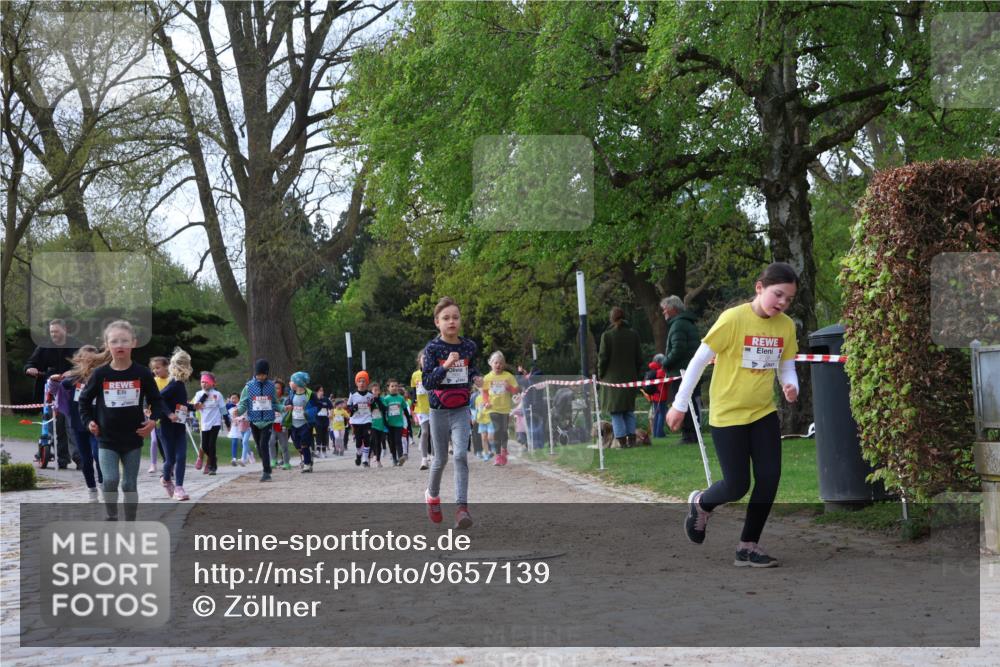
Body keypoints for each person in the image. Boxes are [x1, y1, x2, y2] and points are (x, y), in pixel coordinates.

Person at [667, 262, 800, 568]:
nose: (782, 303)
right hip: (728, 415)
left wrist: (790, 385)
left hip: (763, 413)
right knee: (737, 485)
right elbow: (699, 361)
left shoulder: (786, 326)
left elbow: (786, 364)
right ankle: (701, 504)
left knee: (769, 478)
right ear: (759, 288)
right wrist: (679, 404)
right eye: (777, 294)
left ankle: (748, 547)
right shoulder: (733, 319)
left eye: (788, 299)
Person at [78, 320, 169, 520]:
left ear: (133, 343)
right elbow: (83, 401)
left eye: (124, 341)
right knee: (110, 480)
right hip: (106, 438)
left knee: (129, 484)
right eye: (115, 341)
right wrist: (88, 422)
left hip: (133, 438)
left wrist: (153, 421)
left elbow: (157, 401)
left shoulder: (142, 373)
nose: (120, 345)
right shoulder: (101, 374)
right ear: (107, 344)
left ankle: (130, 523)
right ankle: (111, 516)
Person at [421, 296, 481, 529]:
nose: (451, 322)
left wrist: (477, 377)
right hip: (438, 410)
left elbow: (472, 368)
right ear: (437, 322)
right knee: (441, 459)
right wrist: (445, 365)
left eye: (455, 317)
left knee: (460, 456)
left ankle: (461, 508)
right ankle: (432, 496)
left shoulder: (469, 346)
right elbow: (427, 382)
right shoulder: (433, 348)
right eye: (446, 318)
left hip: (461, 409)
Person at [24, 318, 82, 468]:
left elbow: (87, 364)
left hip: (71, 391)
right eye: (51, 332)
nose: (54, 334)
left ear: (65, 330)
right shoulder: (44, 347)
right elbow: (30, 363)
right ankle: (62, 459)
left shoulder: (76, 345)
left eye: (56, 331)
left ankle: (79, 458)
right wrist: (30, 369)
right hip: (50, 393)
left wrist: (74, 371)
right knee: (55, 426)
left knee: (72, 426)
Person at [56, 345, 102, 500]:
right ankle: (92, 489)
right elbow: (59, 388)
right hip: (78, 424)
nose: (89, 364)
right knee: (85, 459)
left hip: (98, 425)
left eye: (92, 361)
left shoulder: (102, 377)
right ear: (79, 361)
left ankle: (103, 484)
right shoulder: (73, 380)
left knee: (99, 455)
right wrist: (54, 380)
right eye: (85, 360)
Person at [597, 307, 644, 448]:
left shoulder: (607, 336)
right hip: (630, 378)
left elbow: (603, 359)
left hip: (612, 381)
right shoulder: (633, 335)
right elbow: (639, 358)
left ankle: (622, 443)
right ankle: (632, 441)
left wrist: (601, 374)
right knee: (629, 411)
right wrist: (636, 374)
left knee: (616, 412)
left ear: (611, 319)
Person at [661, 295, 702, 444]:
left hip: (681, 371)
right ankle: (692, 434)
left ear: (673, 309)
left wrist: (665, 362)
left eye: (665, 310)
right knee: (691, 402)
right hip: (689, 369)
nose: (663, 313)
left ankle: (689, 435)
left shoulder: (678, 325)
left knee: (684, 402)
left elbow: (678, 349)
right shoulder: (688, 323)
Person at [159, 348, 194, 500]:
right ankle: (166, 479)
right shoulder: (173, 384)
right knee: (170, 460)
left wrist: (193, 406)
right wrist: (169, 414)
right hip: (166, 428)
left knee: (181, 457)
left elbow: (180, 404)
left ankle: (179, 487)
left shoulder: (180, 385)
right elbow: (158, 400)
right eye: (185, 365)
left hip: (179, 426)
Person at [237, 358, 277, 482]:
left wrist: (282, 407)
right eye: (259, 374)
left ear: (267, 373)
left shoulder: (271, 386)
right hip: (254, 420)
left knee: (264, 444)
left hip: (268, 420)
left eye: (263, 374)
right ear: (255, 373)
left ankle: (266, 473)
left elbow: (275, 402)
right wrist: (237, 411)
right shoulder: (248, 386)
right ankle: (267, 466)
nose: (261, 377)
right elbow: (243, 403)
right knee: (260, 447)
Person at [482, 351, 520, 466]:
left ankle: (504, 449)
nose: (498, 365)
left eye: (501, 363)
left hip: (505, 408)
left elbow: (516, 390)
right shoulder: (488, 377)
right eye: (496, 363)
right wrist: (486, 402)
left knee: (503, 430)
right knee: (497, 430)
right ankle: (498, 455)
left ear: (504, 365)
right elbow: (484, 392)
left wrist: (509, 388)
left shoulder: (508, 376)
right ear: (491, 364)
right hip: (493, 408)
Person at [285, 371, 320, 473]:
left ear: (298, 382)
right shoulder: (292, 394)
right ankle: (307, 457)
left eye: (291, 381)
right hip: (294, 423)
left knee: (304, 443)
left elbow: (317, 406)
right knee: (297, 444)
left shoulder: (310, 394)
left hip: (306, 423)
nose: (289, 383)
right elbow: (288, 402)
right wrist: (287, 405)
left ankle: (307, 464)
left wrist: (309, 413)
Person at [193, 371, 225, 475]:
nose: (204, 384)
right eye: (202, 382)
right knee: (204, 446)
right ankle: (213, 458)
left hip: (215, 423)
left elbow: (223, 409)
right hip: (204, 424)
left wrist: (228, 423)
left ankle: (213, 467)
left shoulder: (217, 394)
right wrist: (204, 396)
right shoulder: (198, 394)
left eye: (206, 382)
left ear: (212, 383)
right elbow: (196, 407)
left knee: (211, 445)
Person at [147, 357, 170, 474]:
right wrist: (147, 408)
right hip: (155, 415)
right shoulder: (153, 381)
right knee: (155, 441)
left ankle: (169, 463)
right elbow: (149, 397)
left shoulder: (172, 380)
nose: (155, 370)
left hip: (168, 415)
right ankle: (153, 463)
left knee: (166, 440)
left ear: (166, 367)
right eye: (153, 368)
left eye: (158, 367)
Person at [381, 379, 412, 466]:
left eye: (396, 386)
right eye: (392, 386)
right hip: (389, 424)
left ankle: (400, 457)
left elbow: (405, 410)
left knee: (398, 440)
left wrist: (409, 421)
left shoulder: (401, 398)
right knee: (391, 442)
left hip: (399, 423)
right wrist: (384, 422)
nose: (394, 388)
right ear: (388, 388)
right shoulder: (386, 399)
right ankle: (394, 458)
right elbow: (383, 412)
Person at [348, 371, 375, 467]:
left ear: (367, 382)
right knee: (359, 442)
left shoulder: (370, 395)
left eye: (364, 381)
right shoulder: (353, 394)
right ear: (356, 383)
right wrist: (353, 408)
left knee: (367, 438)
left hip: (367, 419)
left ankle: (365, 460)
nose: (362, 383)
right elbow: (348, 407)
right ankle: (359, 454)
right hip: (356, 421)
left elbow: (373, 405)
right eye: (360, 381)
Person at [410, 352, 432, 470]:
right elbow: (414, 390)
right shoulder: (415, 375)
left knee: (434, 433)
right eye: (424, 358)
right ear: (419, 360)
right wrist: (413, 400)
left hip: (434, 407)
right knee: (424, 432)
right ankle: (424, 459)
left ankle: (433, 455)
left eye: (428, 358)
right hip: (421, 408)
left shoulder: (434, 372)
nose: (426, 360)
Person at [227, 393, 253, 466]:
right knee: (234, 441)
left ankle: (249, 454)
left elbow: (244, 415)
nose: (233, 400)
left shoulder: (242, 406)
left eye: (235, 398)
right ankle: (234, 458)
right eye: (232, 398)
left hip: (243, 425)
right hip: (235, 426)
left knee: (244, 442)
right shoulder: (229, 406)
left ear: (239, 398)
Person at [272, 379, 292, 470]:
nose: (275, 390)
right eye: (274, 388)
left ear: (282, 390)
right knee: (271, 442)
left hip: (282, 425)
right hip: (272, 424)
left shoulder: (285, 400)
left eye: (278, 388)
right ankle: (273, 460)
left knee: (283, 445)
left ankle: (286, 463)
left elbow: (287, 412)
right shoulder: (270, 400)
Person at [313, 386, 333, 458]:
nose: (321, 392)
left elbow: (331, 407)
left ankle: (324, 451)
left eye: (322, 390)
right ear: (316, 392)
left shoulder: (326, 399)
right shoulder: (314, 400)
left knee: (324, 435)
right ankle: (318, 450)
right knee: (318, 435)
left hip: (325, 419)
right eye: (320, 391)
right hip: (317, 419)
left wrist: (330, 413)